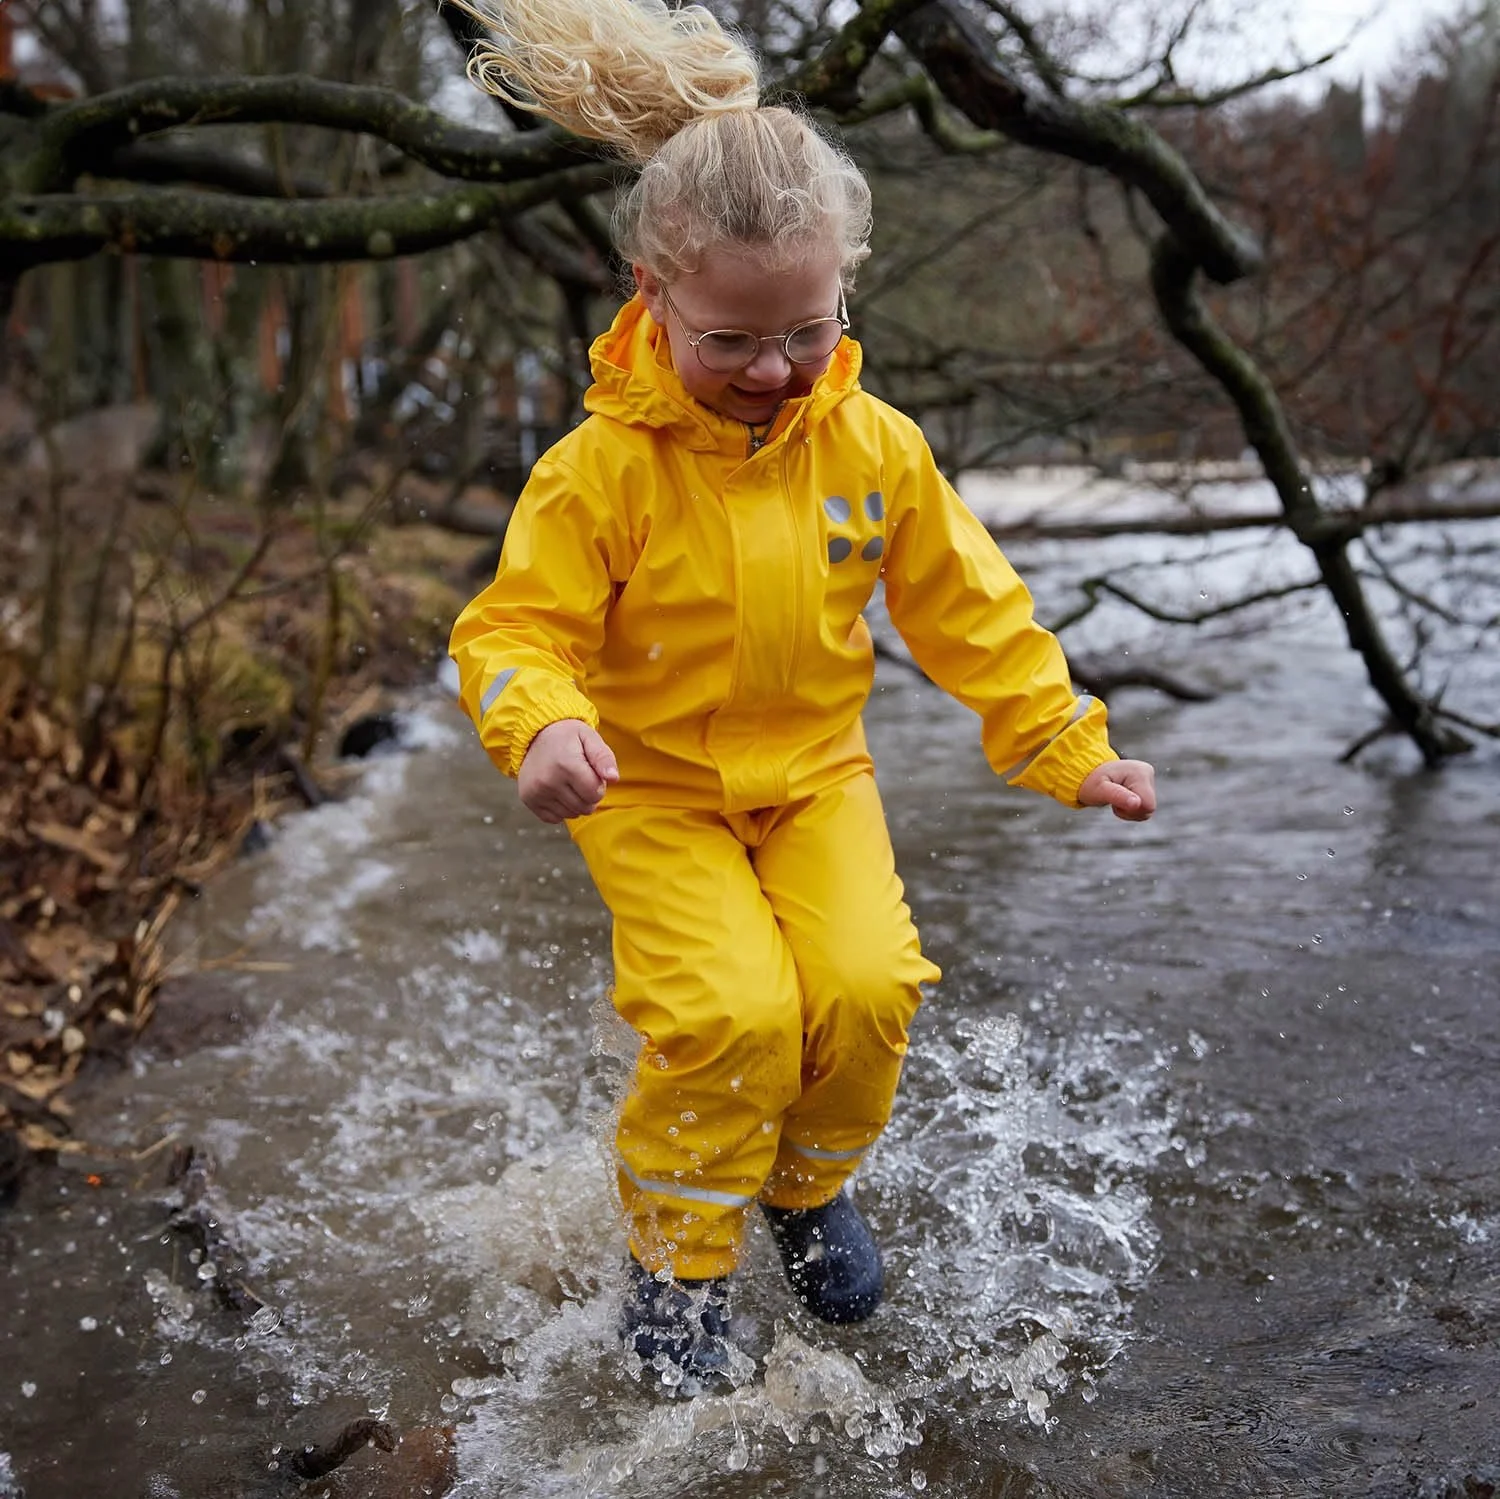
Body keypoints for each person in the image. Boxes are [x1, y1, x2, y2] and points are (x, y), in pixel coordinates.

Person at [447, 0, 1157, 1391]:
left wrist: (1068, 743)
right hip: (649, 788)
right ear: (653, 293)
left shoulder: (872, 447)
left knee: (866, 986)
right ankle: (679, 1258)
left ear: (846, 296)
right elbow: (514, 625)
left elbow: (974, 609)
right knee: (734, 1015)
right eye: (732, 341)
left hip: (816, 773)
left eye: (808, 332)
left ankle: (804, 1180)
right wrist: (541, 726)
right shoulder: (600, 472)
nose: (773, 373)